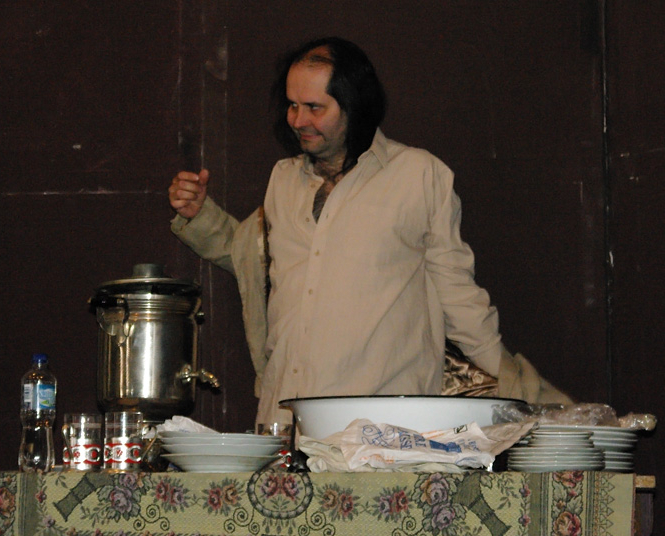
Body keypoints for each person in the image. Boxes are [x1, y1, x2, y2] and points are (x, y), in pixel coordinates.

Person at [169, 37, 571, 426]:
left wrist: (519, 387)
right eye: (292, 105)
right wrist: (201, 215)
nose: (298, 120)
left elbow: (459, 298)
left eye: (314, 107)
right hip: (286, 424)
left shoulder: (418, 175)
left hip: (384, 432)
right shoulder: (283, 180)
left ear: (354, 105)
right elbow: (254, 260)